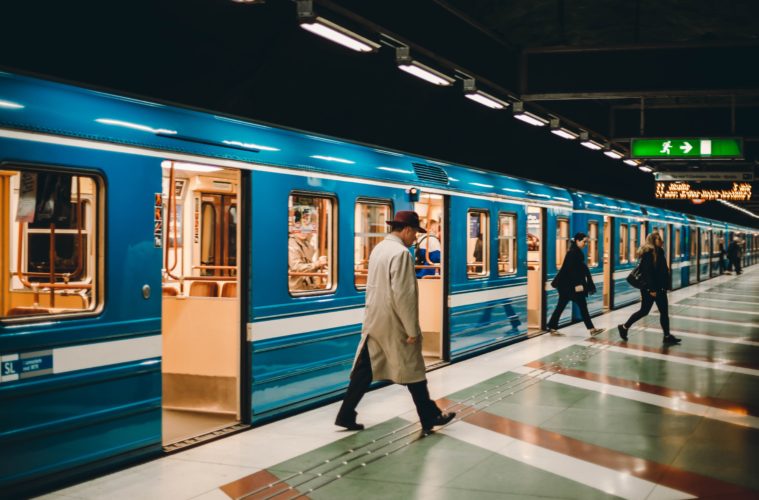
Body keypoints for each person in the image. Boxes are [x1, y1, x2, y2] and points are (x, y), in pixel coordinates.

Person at [335, 210, 455, 435]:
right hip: (394, 322)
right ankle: (430, 416)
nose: (414, 239)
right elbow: (404, 295)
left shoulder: (379, 249)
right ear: (407, 230)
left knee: (365, 369)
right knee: (414, 371)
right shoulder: (401, 254)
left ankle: (345, 414)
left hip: (375, 319)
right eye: (414, 234)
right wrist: (412, 329)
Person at [618, 232, 681, 344]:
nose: (662, 241)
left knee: (663, 312)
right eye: (659, 239)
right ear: (653, 241)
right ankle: (624, 327)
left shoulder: (659, 252)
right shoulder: (648, 254)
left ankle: (667, 336)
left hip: (659, 288)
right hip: (651, 289)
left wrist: (665, 285)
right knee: (644, 311)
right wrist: (652, 290)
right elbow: (648, 273)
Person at [547, 233, 605, 336]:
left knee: (562, 305)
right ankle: (592, 329)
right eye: (584, 241)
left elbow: (576, 269)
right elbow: (570, 270)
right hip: (569, 286)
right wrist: (578, 284)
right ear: (578, 241)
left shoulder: (575, 251)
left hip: (566, 285)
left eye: (586, 242)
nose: (585, 244)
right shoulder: (573, 253)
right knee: (582, 306)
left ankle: (552, 326)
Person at [288, 223, 327, 290]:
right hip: (296, 287)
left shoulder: (307, 244)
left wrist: (320, 266)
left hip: (307, 285)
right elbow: (296, 267)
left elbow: (309, 265)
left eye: (305, 230)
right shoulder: (291, 245)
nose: (303, 232)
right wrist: (317, 264)